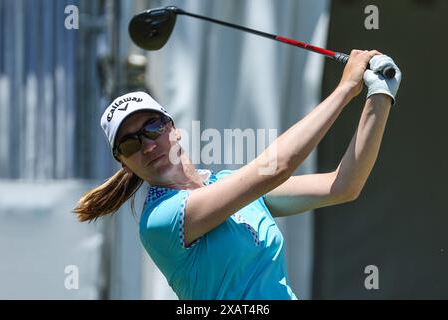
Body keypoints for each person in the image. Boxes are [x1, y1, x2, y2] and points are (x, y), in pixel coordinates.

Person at [74, 50, 401, 299]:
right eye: (130, 143)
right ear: (124, 163)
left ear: (173, 129)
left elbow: (343, 185)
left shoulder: (226, 183)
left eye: (152, 127)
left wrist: (380, 94)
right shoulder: (161, 219)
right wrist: (345, 89)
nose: (146, 145)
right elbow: (278, 166)